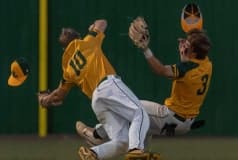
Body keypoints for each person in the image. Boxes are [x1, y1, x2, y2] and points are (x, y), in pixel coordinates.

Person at [75, 28, 212, 145]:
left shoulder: (187, 69)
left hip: (169, 117)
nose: (183, 45)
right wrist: (188, 51)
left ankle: (96, 135)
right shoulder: (207, 64)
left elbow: (161, 70)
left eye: (187, 45)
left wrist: (145, 49)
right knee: (142, 128)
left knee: (131, 107)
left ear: (193, 53)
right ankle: (139, 154)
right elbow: (191, 66)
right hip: (186, 123)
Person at [38, 19, 150, 160]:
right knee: (139, 113)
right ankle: (136, 151)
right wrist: (92, 27)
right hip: (108, 85)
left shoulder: (67, 70)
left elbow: (58, 96)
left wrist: (44, 100)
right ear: (77, 38)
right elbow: (102, 22)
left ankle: (94, 153)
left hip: (97, 101)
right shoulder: (86, 42)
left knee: (122, 142)